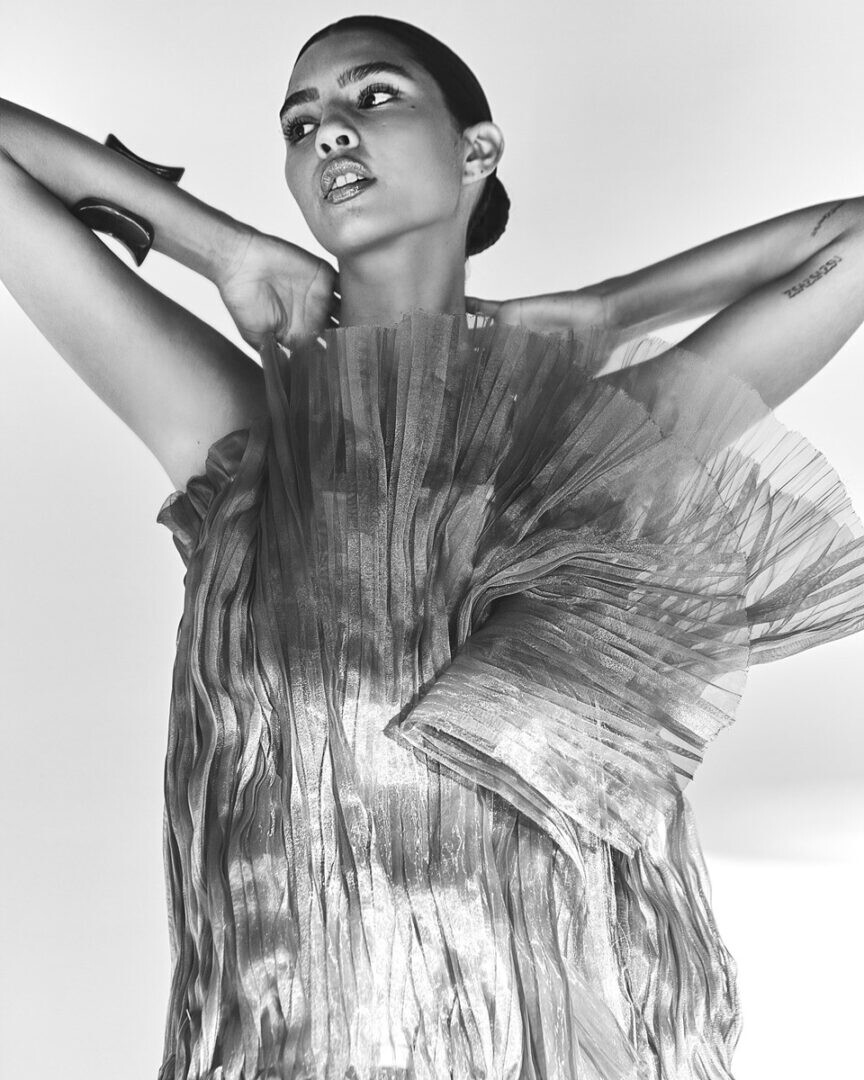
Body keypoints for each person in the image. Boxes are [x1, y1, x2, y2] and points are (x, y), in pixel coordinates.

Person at [2, 13, 864, 1080]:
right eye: (300, 123)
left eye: (373, 97)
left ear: (476, 150)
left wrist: (609, 310)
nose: (328, 132)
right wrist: (217, 247)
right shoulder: (246, 435)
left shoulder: (589, 446)